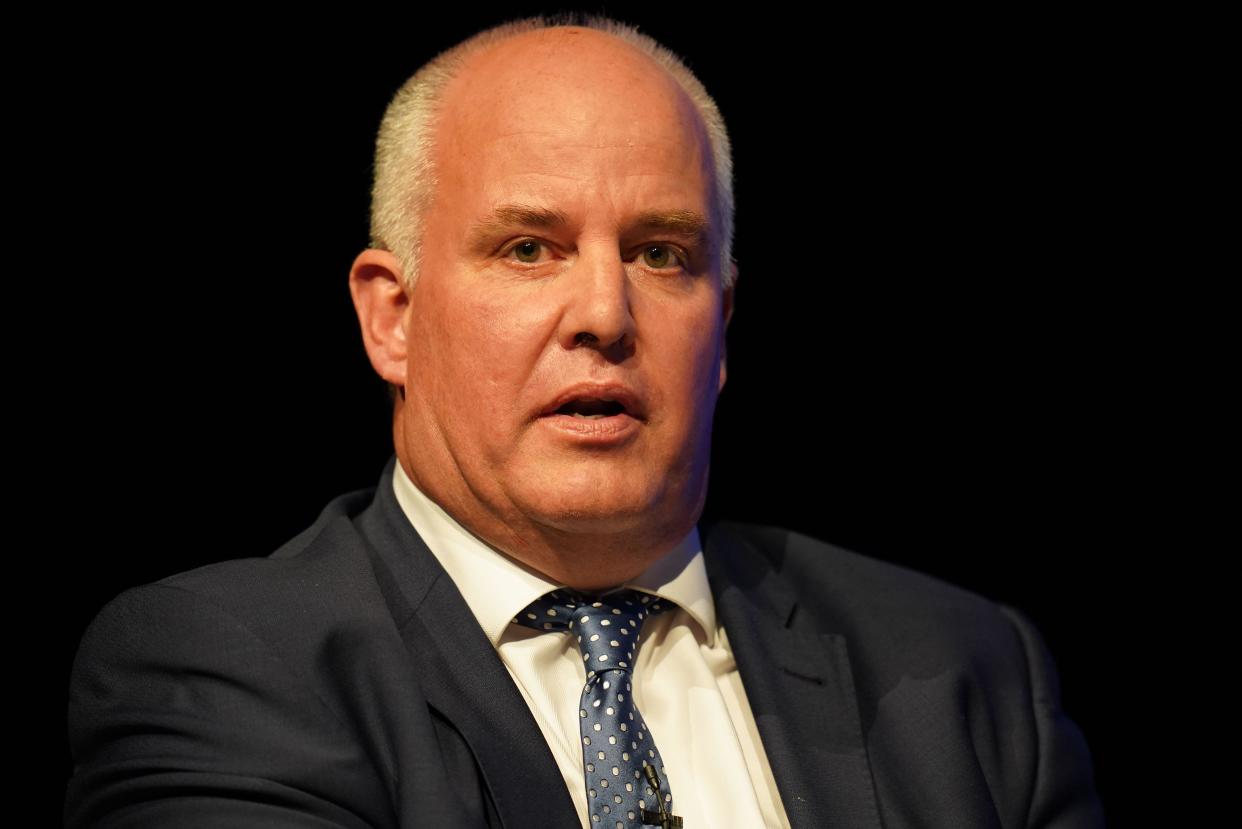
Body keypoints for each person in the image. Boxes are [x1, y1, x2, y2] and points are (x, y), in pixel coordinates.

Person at [64, 14, 1104, 829]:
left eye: (662, 254)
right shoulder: (224, 664)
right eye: (528, 249)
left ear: (724, 322)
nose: (606, 316)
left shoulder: (964, 672)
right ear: (394, 315)